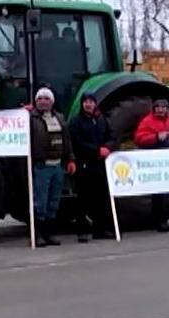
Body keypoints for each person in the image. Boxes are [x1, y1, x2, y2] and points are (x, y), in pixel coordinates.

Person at [29, 87, 76, 246]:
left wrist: (70, 159)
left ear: (52, 102)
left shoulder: (60, 118)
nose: (43, 101)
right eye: (40, 98)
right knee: (40, 202)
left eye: (46, 98)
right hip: (42, 167)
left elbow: (67, 140)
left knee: (53, 201)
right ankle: (38, 235)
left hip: (58, 167)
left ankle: (49, 233)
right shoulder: (30, 119)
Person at [135, 98, 169, 232]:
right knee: (159, 192)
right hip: (157, 161)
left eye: (164, 107)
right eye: (158, 107)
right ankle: (160, 221)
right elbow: (139, 139)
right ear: (154, 108)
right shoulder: (147, 121)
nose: (161, 109)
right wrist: (157, 137)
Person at [67, 93, 115, 243]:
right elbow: (77, 142)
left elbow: (111, 136)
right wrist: (96, 150)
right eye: (86, 102)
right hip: (84, 164)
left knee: (101, 198)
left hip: (100, 164)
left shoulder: (101, 120)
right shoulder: (76, 122)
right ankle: (82, 231)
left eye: (91, 102)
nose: (88, 104)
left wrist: (108, 147)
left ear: (95, 104)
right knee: (83, 198)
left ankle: (100, 229)